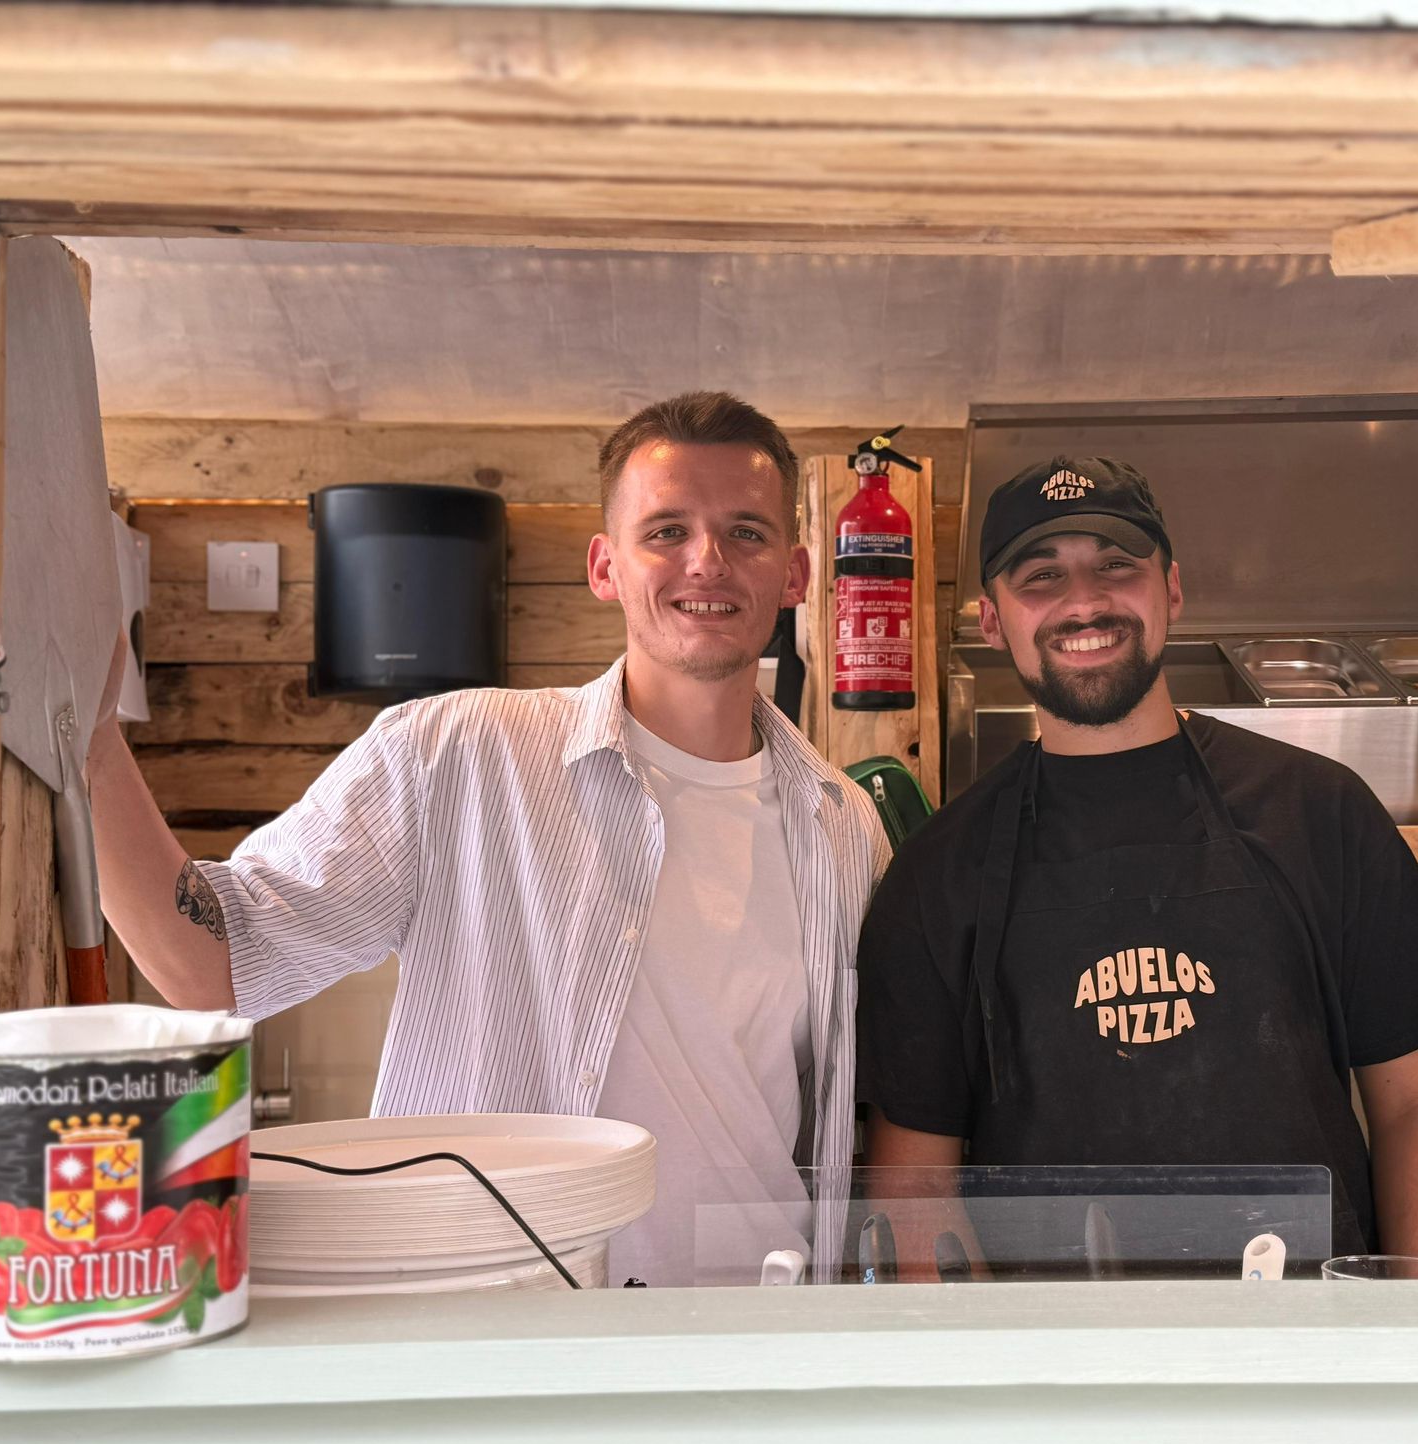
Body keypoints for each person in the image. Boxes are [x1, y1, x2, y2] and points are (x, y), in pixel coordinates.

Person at [87, 390, 889, 1287]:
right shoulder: (455, 754)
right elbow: (215, 963)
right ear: (604, 566)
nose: (707, 560)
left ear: (795, 573)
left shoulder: (843, 824)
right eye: (665, 531)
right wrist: (87, 740)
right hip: (494, 1320)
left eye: (747, 532)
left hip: (750, 1326)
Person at [855, 456, 1418, 1271]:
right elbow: (914, 1186)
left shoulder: (1319, 813)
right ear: (991, 620)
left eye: (1117, 566)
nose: (1084, 600)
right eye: (1041, 576)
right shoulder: (937, 876)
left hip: (1311, 1365)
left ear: (1173, 591)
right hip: (1060, 1373)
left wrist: (1417, 1337)